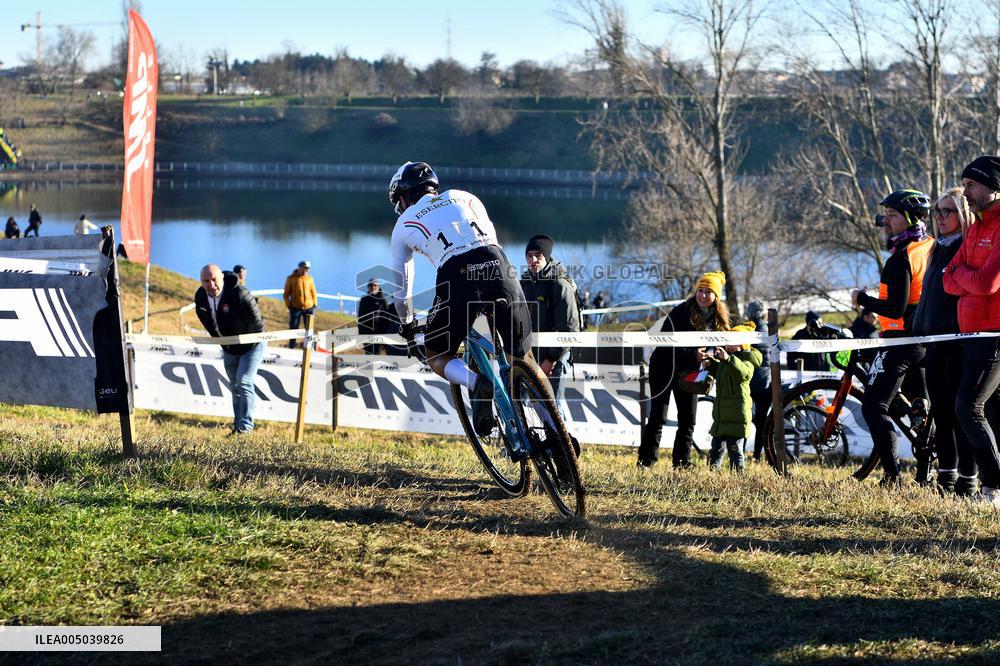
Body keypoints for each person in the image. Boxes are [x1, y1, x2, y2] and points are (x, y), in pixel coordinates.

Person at [389, 161, 532, 437]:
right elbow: (489, 239)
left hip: (457, 275)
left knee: (438, 354)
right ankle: (558, 431)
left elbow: (402, 287)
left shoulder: (404, 222)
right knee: (525, 359)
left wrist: (407, 323)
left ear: (404, 198)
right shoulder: (465, 196)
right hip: (499, 265)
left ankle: (477, 383)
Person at [852, 188, 934, 487]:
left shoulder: (900, 259)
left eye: (892, 215)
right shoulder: (929, 246)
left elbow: (894, 308)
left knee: (873, 406)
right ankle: (925, 467)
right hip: (924, 340)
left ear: (910, 219)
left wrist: (862, 299)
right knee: (919, 405)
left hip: (899, 340)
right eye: (885, 214)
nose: (885, 220)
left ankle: (893, 476)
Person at [914, 186, 978, 494]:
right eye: (937, 211)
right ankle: (946, 476)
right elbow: (928, 297)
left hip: (958, 343)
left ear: (963, 214)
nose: (939, 217)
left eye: (947, 211)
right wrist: (918, 326)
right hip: (934, 342)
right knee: (940, 412)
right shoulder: (936, 249)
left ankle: (968, 478)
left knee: (958, 414)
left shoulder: (966, 248)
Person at [944, 156, 1000, 505]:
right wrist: (966, 280)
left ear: (994, 188)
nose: (965, 192)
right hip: (971, 335)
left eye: (971, 185)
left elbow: (987, 283)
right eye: (964, 184)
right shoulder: (977, 225)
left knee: (968, 407)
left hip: (992, 336)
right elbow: (946, 277)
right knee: (992, 410)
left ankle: (993, 487)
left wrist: (964, 279)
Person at [637, 271, 730, 468]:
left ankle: (681, 463)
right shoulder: (681, 311)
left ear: (716, 297)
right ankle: (646, 461)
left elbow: (717, 346)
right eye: (700, 290)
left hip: (690, 372)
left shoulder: (717, 321)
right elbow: (664, 345)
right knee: (657, 417)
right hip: (663, 368)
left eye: (708, 292)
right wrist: (693, 355)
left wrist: (709, 359)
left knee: (688, 419)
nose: (702, 295)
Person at [194, 264, 265, 435]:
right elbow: (208, 322)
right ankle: (237, 426)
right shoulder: (201, 297)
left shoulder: (240, 294)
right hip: (228, 347)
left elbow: (257, 324)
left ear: (222, 279)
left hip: (252, 345)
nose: (211, 285)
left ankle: (246, 428)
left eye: (214, 280)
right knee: (234, 386)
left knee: (244, 381)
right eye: (206, 281)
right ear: (201, 282)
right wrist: (224, 342)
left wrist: (244, 342)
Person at [520, 234, 582, 408]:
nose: (533, 260)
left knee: (553, 409)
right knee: (524, 409)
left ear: (546, 257)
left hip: (557, 357)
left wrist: (551, 359)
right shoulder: (524, 283)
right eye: (529, 255)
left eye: (538, 255)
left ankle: (558, 436)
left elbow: (569, 329)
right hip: (530, 356)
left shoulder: (560, 285)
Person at [702, 321, 762, 472]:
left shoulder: (747, 361)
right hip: (722, 416)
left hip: (737, 416)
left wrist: (728, 358)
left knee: (735, 450)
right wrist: (711, 364)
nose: (728, 346)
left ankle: (738, 475)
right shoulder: (726, 361)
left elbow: (741, 373)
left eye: (733, 343)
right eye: (727, 342)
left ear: (743, 345)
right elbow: (722, 372)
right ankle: (713, 473)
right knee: (716, 448)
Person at [744, 300, 771, 461]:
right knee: (762, 421)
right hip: (766, 381)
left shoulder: (747, 330)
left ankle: (739, 451)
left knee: (744, 417)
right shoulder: (771, 330)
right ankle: (757, 455)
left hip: (749, 380)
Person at [283, 260, 317, 349]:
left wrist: (314, 305)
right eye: (305, 268)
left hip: (309, 307)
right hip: (295, 308)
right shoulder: (291, 278)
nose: (306, 270)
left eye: (308, 268)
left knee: (309, 329)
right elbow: (286, 294)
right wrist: (289, 306)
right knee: (293, 328)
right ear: (300, 267)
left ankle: (310, 347)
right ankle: (291, 347)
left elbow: (313, 292)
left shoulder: (310, 278)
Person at [357, 278, 393, 356]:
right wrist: (360, 336)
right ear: (368, 287)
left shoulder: (383, 300)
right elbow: (360, 318)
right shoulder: (364, 300)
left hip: (379, 334)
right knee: (368, 356)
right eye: (371, 285)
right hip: (366, 334)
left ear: (378, 286)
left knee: (376, 356)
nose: (373, 287)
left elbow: (387, 320)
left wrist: (385, 337)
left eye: (375, 285)